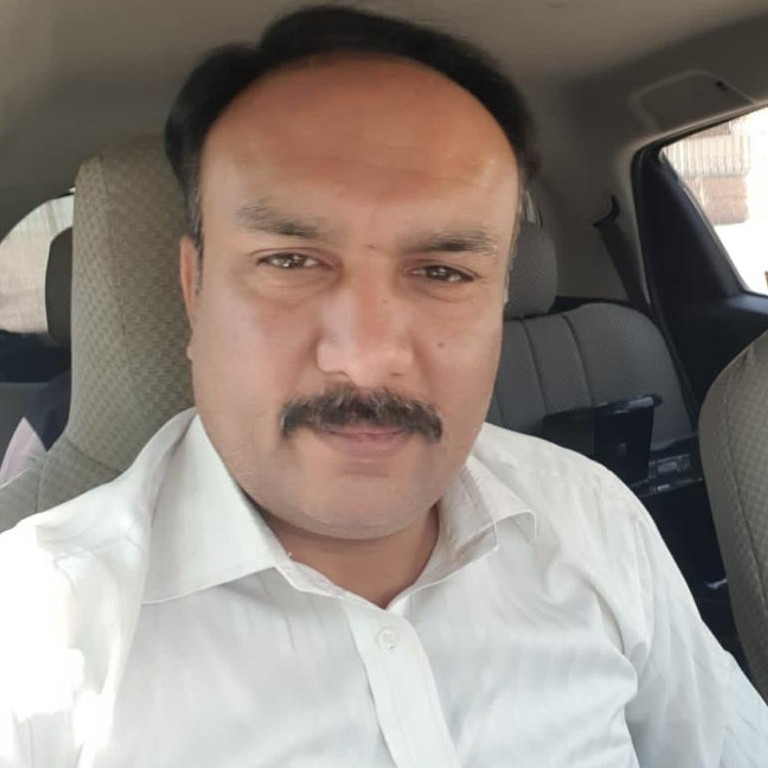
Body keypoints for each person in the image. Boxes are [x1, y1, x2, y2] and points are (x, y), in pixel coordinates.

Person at [0, 5, 766, 767]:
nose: (365, 358)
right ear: (194, 290)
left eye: (443, 272)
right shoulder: (36, 635)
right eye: (290, 261)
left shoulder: (593, 519)